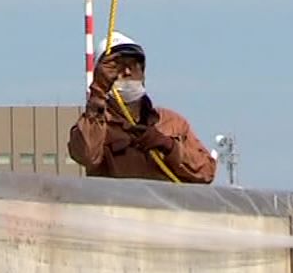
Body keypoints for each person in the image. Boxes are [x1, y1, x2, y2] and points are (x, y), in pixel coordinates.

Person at [68, 31, 217, 183]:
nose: (126, 72)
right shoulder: (96, 126)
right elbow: (86, 155)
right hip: (118, 205)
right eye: (118, 67)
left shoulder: (172, 123)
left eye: (132, 65)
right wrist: (98, 92)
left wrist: (169, 146)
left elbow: (206, 172)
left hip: (166, 205)